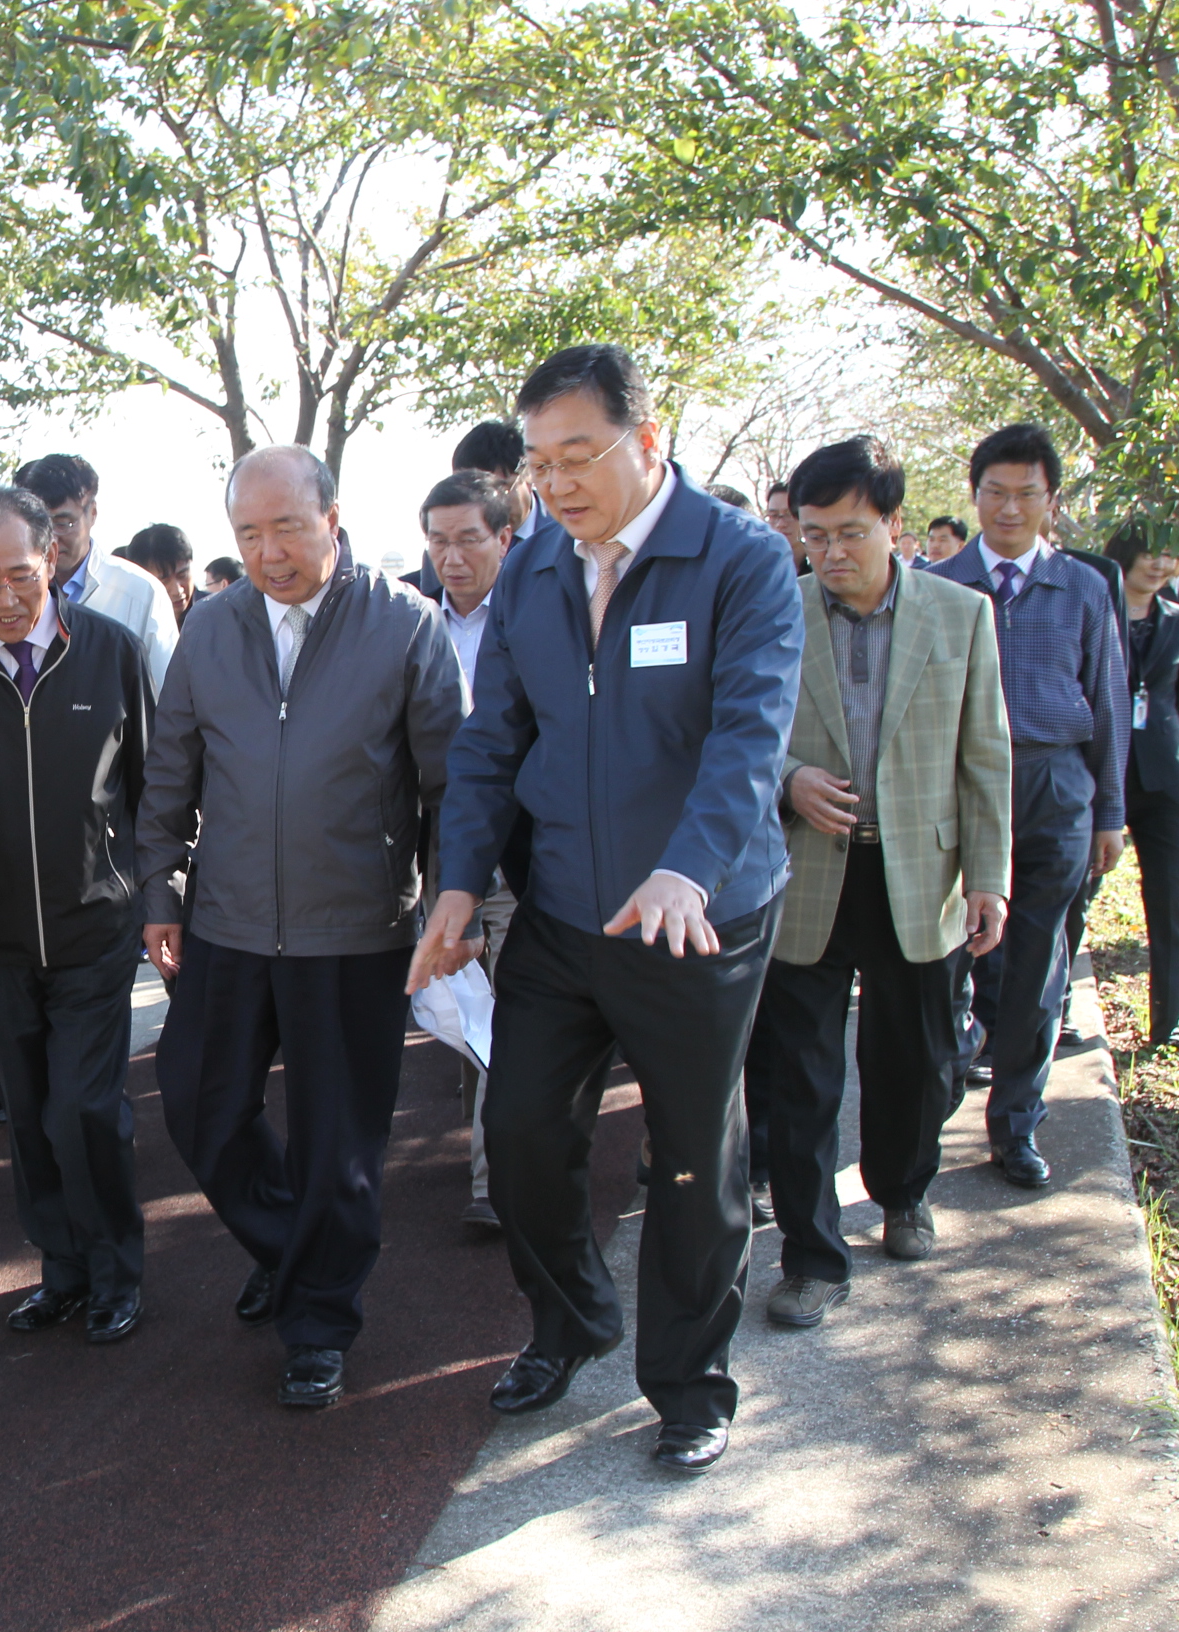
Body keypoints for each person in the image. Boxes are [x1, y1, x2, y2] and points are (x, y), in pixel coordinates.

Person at [418, 343, 804, 1475]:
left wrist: (689, 869)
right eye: (541, 462)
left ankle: (689, 1382)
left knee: (693, 1155)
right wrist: (455, 887)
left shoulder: (737, 562)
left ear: (649, 440)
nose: (560, 482)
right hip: (566, 912)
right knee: (522, 1128)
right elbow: (494, 741)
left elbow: (748, 737)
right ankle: (572, 1319)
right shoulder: (535, 568)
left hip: (699, 916)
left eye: (579, 454)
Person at [140, 445, 465, 1410]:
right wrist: (159, 893)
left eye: (288, 526)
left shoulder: (404, 624)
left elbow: (451, 787)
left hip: (355, 929)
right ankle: (298, 1249)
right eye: (249, 533)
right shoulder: (212, 629)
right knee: (197, 1100)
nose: (270, 551)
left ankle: (319, 1321)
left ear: (333, 516)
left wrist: (453, 905)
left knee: (340, 1140)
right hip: (229, 924)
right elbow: (169, 775)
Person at [753, 437, 1011, 1329]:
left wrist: (990, 877)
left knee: (912, 1061)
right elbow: (731, 732)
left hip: (923, 874)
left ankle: (903, 1193)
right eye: (815, 535)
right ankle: (811, 1256)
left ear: (896, 526)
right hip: (808, 874)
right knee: (801, 1079)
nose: (829, 555)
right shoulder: (775, 614)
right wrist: (789, 778)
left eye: (851, 534)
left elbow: (985, 755)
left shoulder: (960, 615)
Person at [0, 485, 153, 1343]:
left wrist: (159, 894)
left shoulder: (110, 652)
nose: (5, 599)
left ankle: (118, 1271)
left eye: (20, 575)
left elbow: (151, 787)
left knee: (85, 1108)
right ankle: (63, 1268)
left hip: (96, 923)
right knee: (30, 1112)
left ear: (52, 558)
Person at [927, 423, 1127, 1188]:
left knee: (1041, 960)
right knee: (956, 954)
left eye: (1027, 495)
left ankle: (1016, 1126)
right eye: (995, 493)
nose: (1009, 509)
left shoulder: (1083, 585)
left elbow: (1107, 699)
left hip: (1055, 786)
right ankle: (941, 1088)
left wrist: (1108, 810)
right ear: (974, 495)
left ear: (1051, 500)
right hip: (960, 786)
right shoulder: (939, 583)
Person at [410, 470, 515, 1233]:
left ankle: (496, 1184)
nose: (451, 557)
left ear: (505, 538)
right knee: (464, 1011)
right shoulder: (410, 623)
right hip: (432, 854)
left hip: (519, 852)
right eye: (438, 541)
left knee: (506, 1020)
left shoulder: (539, 617)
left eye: (468, 540)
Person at [1090, 526, 1179, 1047]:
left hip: (1164, 781)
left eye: (1169, 555)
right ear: (1124, 555)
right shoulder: (1097, 611)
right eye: (1148, 553)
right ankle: (1058, 1007)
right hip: (1101, 778)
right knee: (1076, 894)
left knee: (1168, 901)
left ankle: (1169, 1023)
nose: (1158, 565)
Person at [14, 454, 178, 695]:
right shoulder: (10, 593)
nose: (51, 539)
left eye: (63, 523)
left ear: (92, 514)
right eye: (39, 526)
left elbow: (167, 697)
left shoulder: (140, 593)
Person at [118, 523, 197, 625]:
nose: (177, 590)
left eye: (182, 575)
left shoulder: (215, 616)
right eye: (164, 581)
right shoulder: (128, 622)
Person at [764, 482, 807, 572]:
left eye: (789, 515)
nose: (780, 524)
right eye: (774, 515)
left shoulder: (819, 561)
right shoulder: (759, 566)